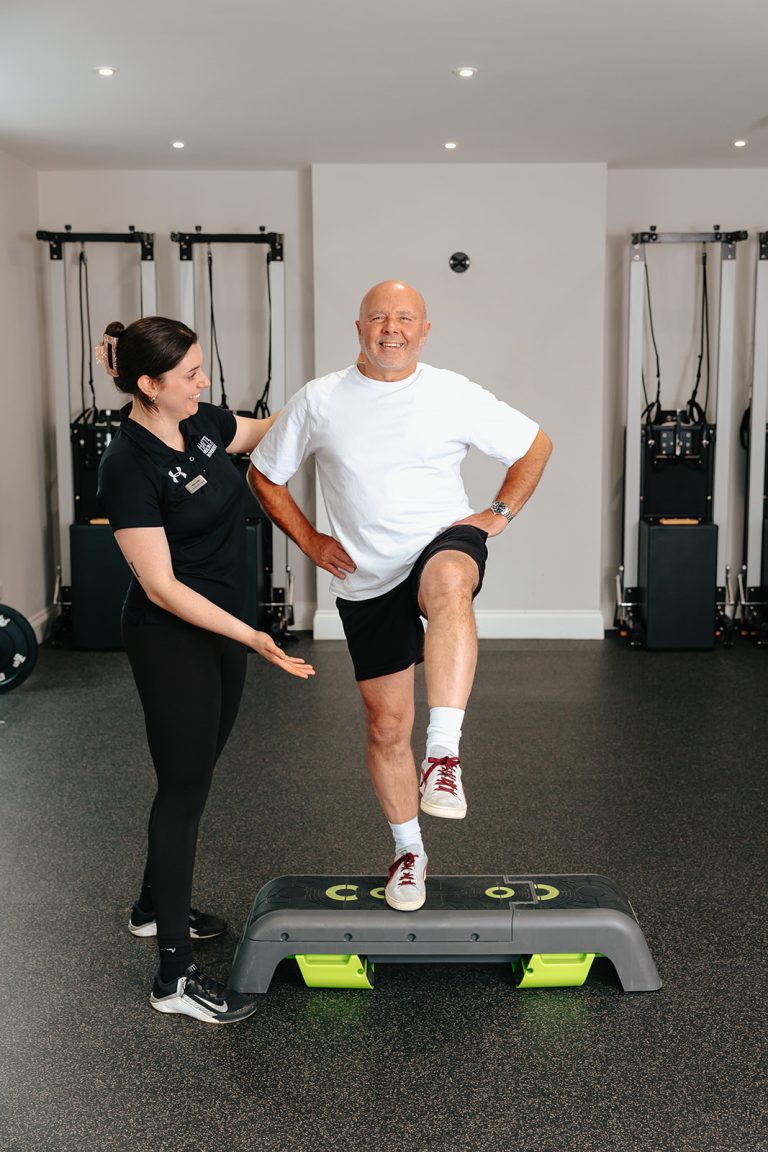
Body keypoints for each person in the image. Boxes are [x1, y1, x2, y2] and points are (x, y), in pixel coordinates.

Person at [248, 280, 552, 912]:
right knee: (387, 726)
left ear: (425, 329)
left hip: (438, 544)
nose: (392, 328)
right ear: (359, 328)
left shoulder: (451, 392)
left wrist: (494, 514)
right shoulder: (320, 400)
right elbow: (265, 474)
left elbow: (533, 445)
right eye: (379, 318)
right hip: (366, 575)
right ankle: (409, 850)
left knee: (449, 583)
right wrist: (310, 540)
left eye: (405, 318)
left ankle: (444, 755)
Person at [96, 316, 314, 1024]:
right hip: (173, 638)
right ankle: (174, 976)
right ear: (149, 386)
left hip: (226, 631)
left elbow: (266, 430)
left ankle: (150, 906)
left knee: (197, 770)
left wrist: (346, 396)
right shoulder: (126, 463)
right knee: (184, 789)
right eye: (190, 374)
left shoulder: (203, 422)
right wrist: (253, 635)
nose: (205, 382)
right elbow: (160, 586)